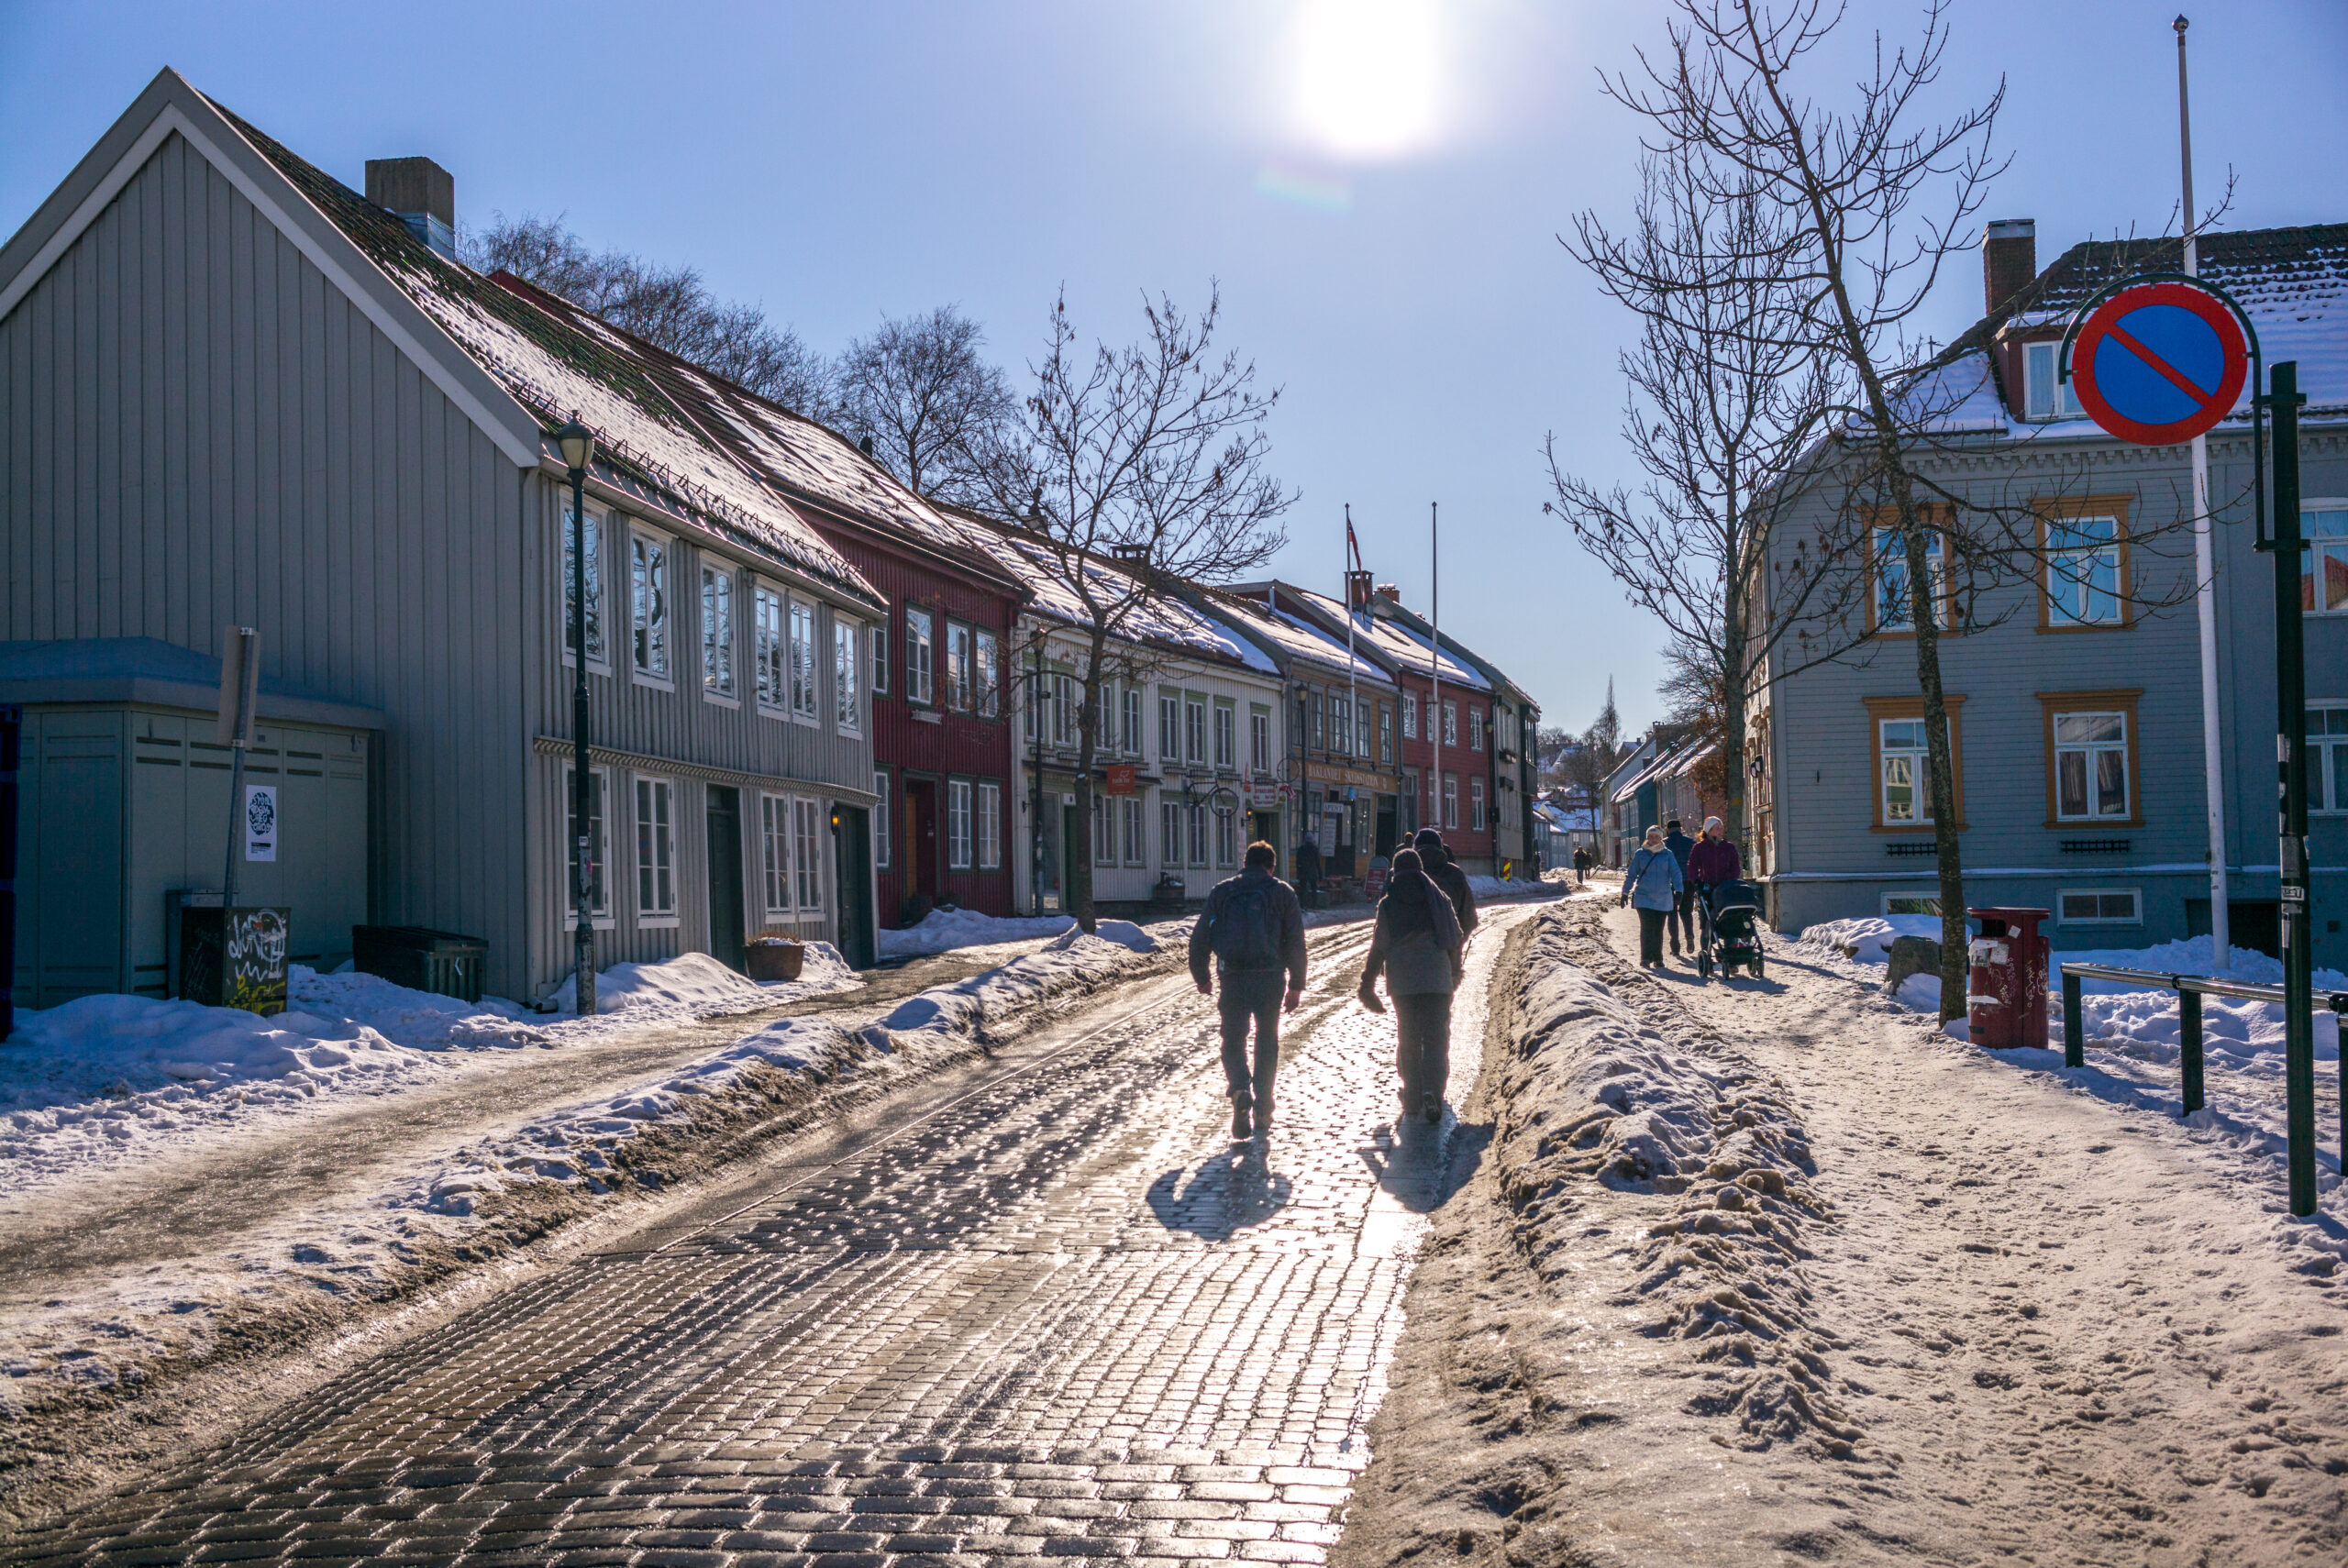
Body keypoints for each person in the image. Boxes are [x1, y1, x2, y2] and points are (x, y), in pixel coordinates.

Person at [1190, 840, 1309, 1140]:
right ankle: (1264, 1106)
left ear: (1245, 862)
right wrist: (1296, 984)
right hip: (1269, 978)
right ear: (1271, 866)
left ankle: (1240, 1088)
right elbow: (1295, 942)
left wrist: (1202, 975)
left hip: (1232, 977)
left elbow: (1200, 936)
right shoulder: (1282, 893)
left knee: (1232, 1038)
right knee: (1267, 1040)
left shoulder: (1222, 892)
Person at [1357, 847, 1465, 1124]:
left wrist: (1367, 983)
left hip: (1403, 981)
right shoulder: (1438, 898)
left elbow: (1378, 947)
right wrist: (1453, 972)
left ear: (1395, 871)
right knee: (1436, 1039)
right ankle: (1434, 1092)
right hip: (1436, 979)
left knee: (1408, 1037)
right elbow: (1454, 939)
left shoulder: (1388, 903)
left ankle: (1414, 1097)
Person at [1622, 825, 1684, 968]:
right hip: (1643, 896)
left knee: (1658, 928)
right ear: (1647, 838)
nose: (1653, 839)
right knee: (1647, 927)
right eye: (1650, 836)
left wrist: (1679, 891)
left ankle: (1657, 957)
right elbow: (1631, 874)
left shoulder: (1668, 854)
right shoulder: (1640, 854)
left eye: (1656, 837)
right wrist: (1625, 892)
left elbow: (1676, 873)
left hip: (1663, 897)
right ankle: (1645, 957)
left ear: (1661, 838)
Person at [1686, 816, 1743, 952]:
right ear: (1708, 831)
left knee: (1729, 918)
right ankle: (1706, 952)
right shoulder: (1700, 848)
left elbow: (1735, 867)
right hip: (1707, 889)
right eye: (1717, 828)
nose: (1720, 830)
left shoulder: (1728, 847)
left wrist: (1732, 879)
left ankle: (1731, 954)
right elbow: (1692, 866)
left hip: (1725, 889)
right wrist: (1697, 881)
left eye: (1721, 828)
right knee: (1707, 921)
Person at [1412, 827, 1479, 935]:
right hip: (1445, 947)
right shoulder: (1455, 874)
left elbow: (1383, 918)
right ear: (1440, 847)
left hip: (1403, 949)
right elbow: (1469, 918)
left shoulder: (1399, 873)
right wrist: (1456, 946)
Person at [1662, 819, 1698, 955]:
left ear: (1668, 830)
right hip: (1688, 881)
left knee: (1671, 913)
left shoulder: (1664, 844)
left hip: (1670, 882)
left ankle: (1675, 945)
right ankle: (1689, 935)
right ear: (1680, 829)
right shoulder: (1690, 843)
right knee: (1686, 912)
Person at [1294, 834, 1324, 903]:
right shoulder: (1315, 849)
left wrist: (1298, 872)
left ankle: (1302, 904)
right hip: (1312, 871)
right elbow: (1317, 863)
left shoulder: (1301, 849)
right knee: (1314, 888)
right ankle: (1314, 903)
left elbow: (1298, 861)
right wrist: (1320, 875)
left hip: (1303, 871)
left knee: (1303, 889)